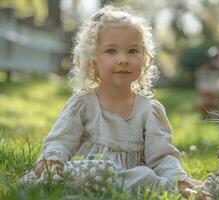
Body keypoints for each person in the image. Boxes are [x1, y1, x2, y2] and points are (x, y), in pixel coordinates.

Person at [27, 5, 206, 198]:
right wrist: (53, 164)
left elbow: (162, 157)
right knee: (78, 175)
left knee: (144, 177)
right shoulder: (83, 104)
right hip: (89, 174)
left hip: (132, 179)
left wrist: (178, 180)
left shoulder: (149, 111)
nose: (123, 59)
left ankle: (170, 188)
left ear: (144, 59)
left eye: (132, 51)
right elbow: (61, 141)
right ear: (93, 61)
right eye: (112, 51)